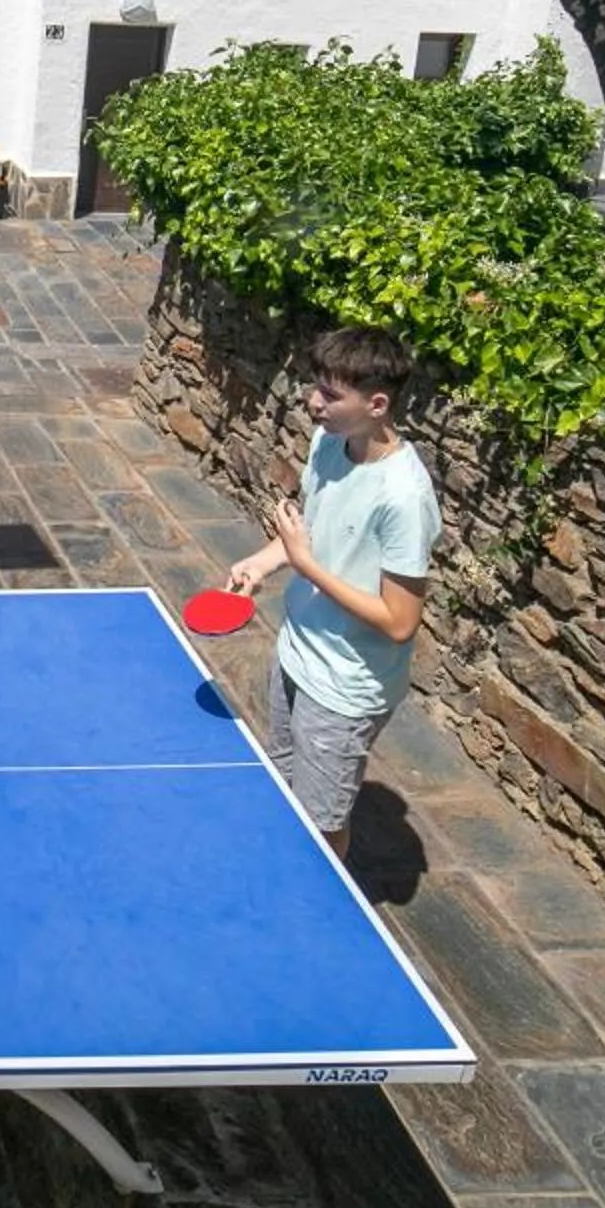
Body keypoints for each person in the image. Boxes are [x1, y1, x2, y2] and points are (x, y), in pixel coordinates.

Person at [221, 324, 441, 859]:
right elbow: (310, 534)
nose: (312, 401)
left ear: (377, 404)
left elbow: (399, 622)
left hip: (345, 687)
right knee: (284, 788)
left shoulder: (404, 500)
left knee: (321, 826)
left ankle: (311, 912)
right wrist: (264, 561)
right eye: (315, 385)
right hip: (296, 652)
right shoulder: (330, 442)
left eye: (330, 394)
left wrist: (304, 565)